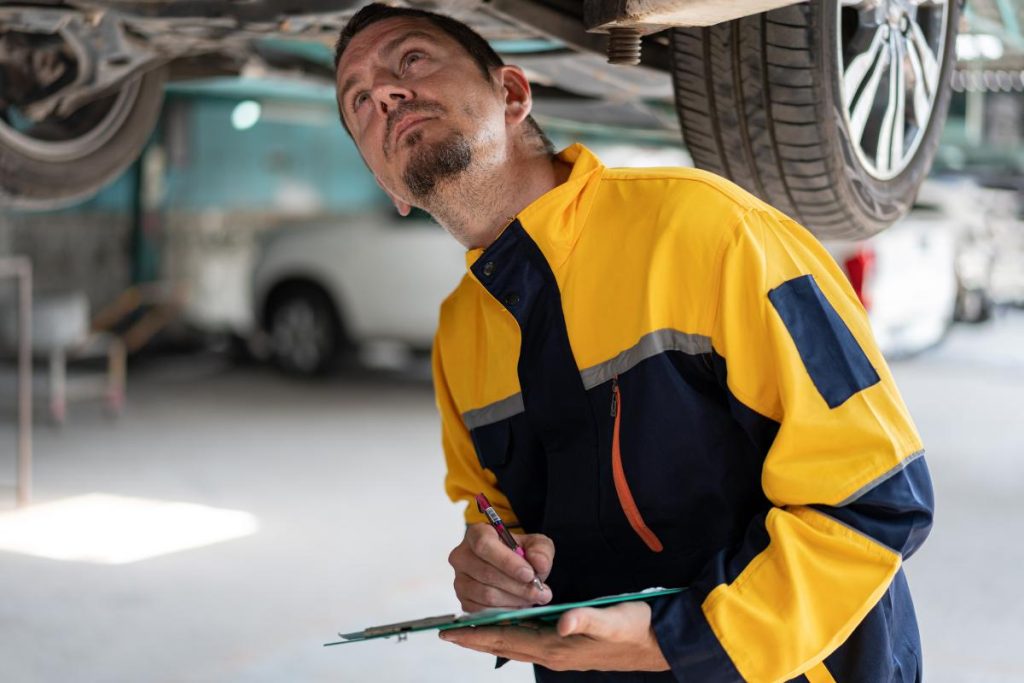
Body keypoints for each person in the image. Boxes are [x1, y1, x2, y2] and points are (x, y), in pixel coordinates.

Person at [333, 4, 934, 682]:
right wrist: (492, 569)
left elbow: (876, 499)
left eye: (411, 60)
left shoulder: (706, 228)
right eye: (359, 101)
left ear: (512, 94)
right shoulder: (460, 334)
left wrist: (676, 641)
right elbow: (491, 513)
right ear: (389, 185)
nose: (383, 93)